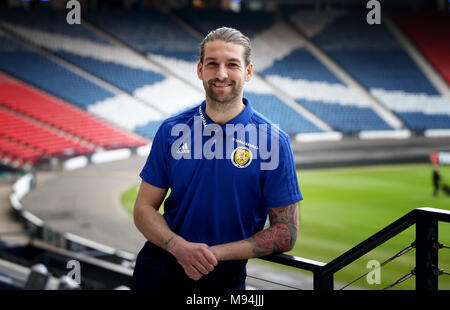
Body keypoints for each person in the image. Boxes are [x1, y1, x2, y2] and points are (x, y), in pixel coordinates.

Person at [131, 27, 302, 290]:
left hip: (223, 282)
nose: (221, 74)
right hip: (156, 275)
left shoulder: (273, 141)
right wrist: (178, 247)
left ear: (248, 71)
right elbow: (143, 209)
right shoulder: (171, 130)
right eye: (212, 64)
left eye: (232, 64)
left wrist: (209, 255)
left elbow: (286, 233)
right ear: (200, 70)